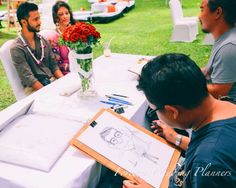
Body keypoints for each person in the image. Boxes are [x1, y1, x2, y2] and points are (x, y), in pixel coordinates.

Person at [122, 53, 236, 188]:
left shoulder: (207, 162)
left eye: (154, 109)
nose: (155, 113)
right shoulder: (227, 106)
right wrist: (176, 138)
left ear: (172, 111)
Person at [10, 2, 63, 95]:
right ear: (24, 22)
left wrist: (64, 82)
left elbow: (54, 66)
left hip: (52, 83)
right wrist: (49, 93)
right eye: (35, 19)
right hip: (34, 90)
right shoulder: (17, 48)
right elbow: (28, 78)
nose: (39, 22)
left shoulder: (43, 40)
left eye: (39, 18)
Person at [200, 0, 236, 100]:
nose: (199, 17)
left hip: (228, 109)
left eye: (202, 9)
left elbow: (218, 93)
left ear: (218, 12)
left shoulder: (229, 47)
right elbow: (211, 69)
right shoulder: (226, 38)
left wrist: (185, 82)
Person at [44, 0, 76, 75]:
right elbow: (57, 64)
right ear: (56, 18)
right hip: (66, 73)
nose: (65, 16)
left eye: (67, 13)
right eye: (61, 14)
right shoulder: (53, 38)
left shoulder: (76, 30)